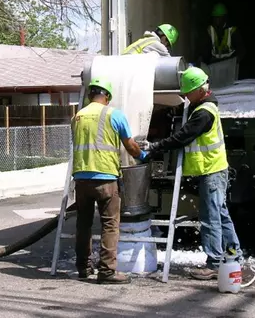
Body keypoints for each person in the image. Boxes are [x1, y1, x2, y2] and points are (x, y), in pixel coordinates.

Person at [141, 67, 242, 280]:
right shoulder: (204, 107)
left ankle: (215, 263)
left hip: (211, 171)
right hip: (213, 169)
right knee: (220, 215)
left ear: (199, 89)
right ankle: (234, 256)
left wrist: (154, 147)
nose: (185, 96)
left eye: (187, 92)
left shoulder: (204, 113)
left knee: (211, 217)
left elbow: (182, 137)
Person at [71, 77, 148, 284]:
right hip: (105, 178)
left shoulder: (77, 116)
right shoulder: (115, 115)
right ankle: (107, 271)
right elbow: (131, 147)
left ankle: (83, 268)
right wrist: (144, 156)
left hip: (81, 179)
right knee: (110, 225)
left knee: (83, 225)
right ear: (107, 96)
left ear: (90, 95)